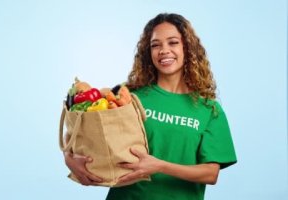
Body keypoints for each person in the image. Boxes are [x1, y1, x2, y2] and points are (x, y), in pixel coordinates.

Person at [64, 13, 237, 200]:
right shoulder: (128, 96)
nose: (164, 50)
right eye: (156, 45)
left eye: (173, 42)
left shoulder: (209, 110)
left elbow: (210, 174)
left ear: (188, 47)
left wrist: (159, 166)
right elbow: (85, 131)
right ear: (149, 52)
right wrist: (69, 158)